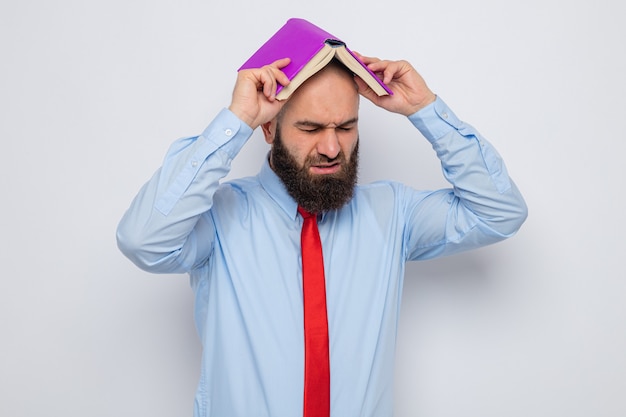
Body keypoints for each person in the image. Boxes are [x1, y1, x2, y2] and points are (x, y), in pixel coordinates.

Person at [117, 52, 527, 417]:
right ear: (268, 128)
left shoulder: (393, 214)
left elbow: (499, 211)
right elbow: (142, 240)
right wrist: (234, 122)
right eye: (311, 128)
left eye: (346, 127)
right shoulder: (218, 219)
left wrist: (425, 109)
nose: (332, 147)